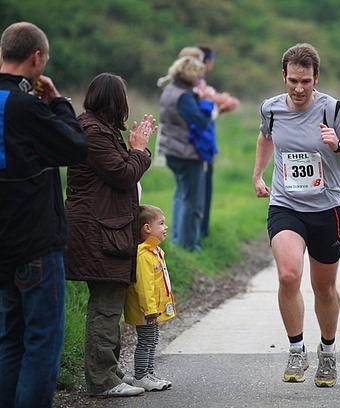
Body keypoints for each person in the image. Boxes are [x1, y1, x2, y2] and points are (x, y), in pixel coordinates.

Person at [253, 43, 340, 387]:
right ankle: (296, 349)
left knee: (324, 289)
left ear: (316, 78)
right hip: (286, 205)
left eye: (305, 81)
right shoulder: (271, 109)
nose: (299, 88)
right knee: (289, 275)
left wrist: (338, 145)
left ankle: (328, 353)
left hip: (325, 210)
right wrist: (258, 175)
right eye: (293, 81)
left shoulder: (333, 110)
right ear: (284, 76)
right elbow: (265, 137)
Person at [0, 22, 88, 408]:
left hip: (3, 242)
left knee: (9, 339)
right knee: (42, 341)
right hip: (36, 241)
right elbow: (76, 147)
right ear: (36, 58)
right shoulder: (27, 107)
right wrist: (58, 102)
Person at [64, 73, 156, 398]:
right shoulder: (93, 132)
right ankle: (102, 380)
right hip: (98, 232)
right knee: (104, 306)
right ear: (117, 101)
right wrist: (140, 151)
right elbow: (123, 174)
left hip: (105, 230)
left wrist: (134, 150)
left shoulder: (101, 129)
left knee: (110, 303)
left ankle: (111, 371)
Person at [157, 55, 215, 251]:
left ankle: (177, 238)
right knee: (192, 202)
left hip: (171, 150)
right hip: (186, 153)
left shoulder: (170, 90)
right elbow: (202, 121)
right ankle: (188, 244)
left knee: (182, 196)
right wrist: (206, 101)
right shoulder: (184, 97)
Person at [124, 205, 175, 391]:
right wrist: (150, 311)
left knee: (152, 340)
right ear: (147, 228)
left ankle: (149, 373)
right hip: (145, 310)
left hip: (152, 310)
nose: (165, 227)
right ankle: (141, 376)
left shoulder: (154, 251)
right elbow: (145, 287)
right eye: (161, 223)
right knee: (146, 342)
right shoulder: (143, 255)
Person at [192, 45, 239, 239]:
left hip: (204, 145)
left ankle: (200, 235)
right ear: (208, 62)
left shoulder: (195, 85)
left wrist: (219, 106)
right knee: (197, 196)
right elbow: (201, 118)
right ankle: (196, 237)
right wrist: (217, 104)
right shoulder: (196, 86)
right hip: (199, 147)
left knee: (199, 194)